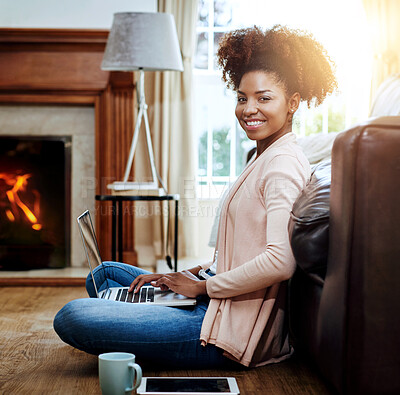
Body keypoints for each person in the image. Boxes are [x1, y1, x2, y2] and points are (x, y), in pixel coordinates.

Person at [54, 25, 337, 369]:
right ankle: (144, 309)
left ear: (292, 103)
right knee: (104, 275)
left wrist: (200, 289)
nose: (249, 109)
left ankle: (139, 316)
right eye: (242, 97)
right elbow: (240, 251)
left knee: (72, 316)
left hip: (223, 329)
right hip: (215, 297)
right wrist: (189, 275)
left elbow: (280, 261)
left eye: (264, 98)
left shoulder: (282, 165)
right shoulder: (265, 155)